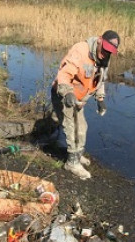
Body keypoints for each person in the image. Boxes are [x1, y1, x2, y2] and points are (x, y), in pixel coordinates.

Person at [51, 30, 120, 179]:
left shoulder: (104, 58)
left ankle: (77, 155)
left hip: (79, 99)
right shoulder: (81, 50)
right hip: (64, 94)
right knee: (72, 129)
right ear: (100, 40)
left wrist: (100, 99)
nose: (105, 54)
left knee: (82, 128)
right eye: (105, 49)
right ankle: (71, 163)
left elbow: (101, 79)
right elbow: (64, 74)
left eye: (110, 52)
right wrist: (67, 92)